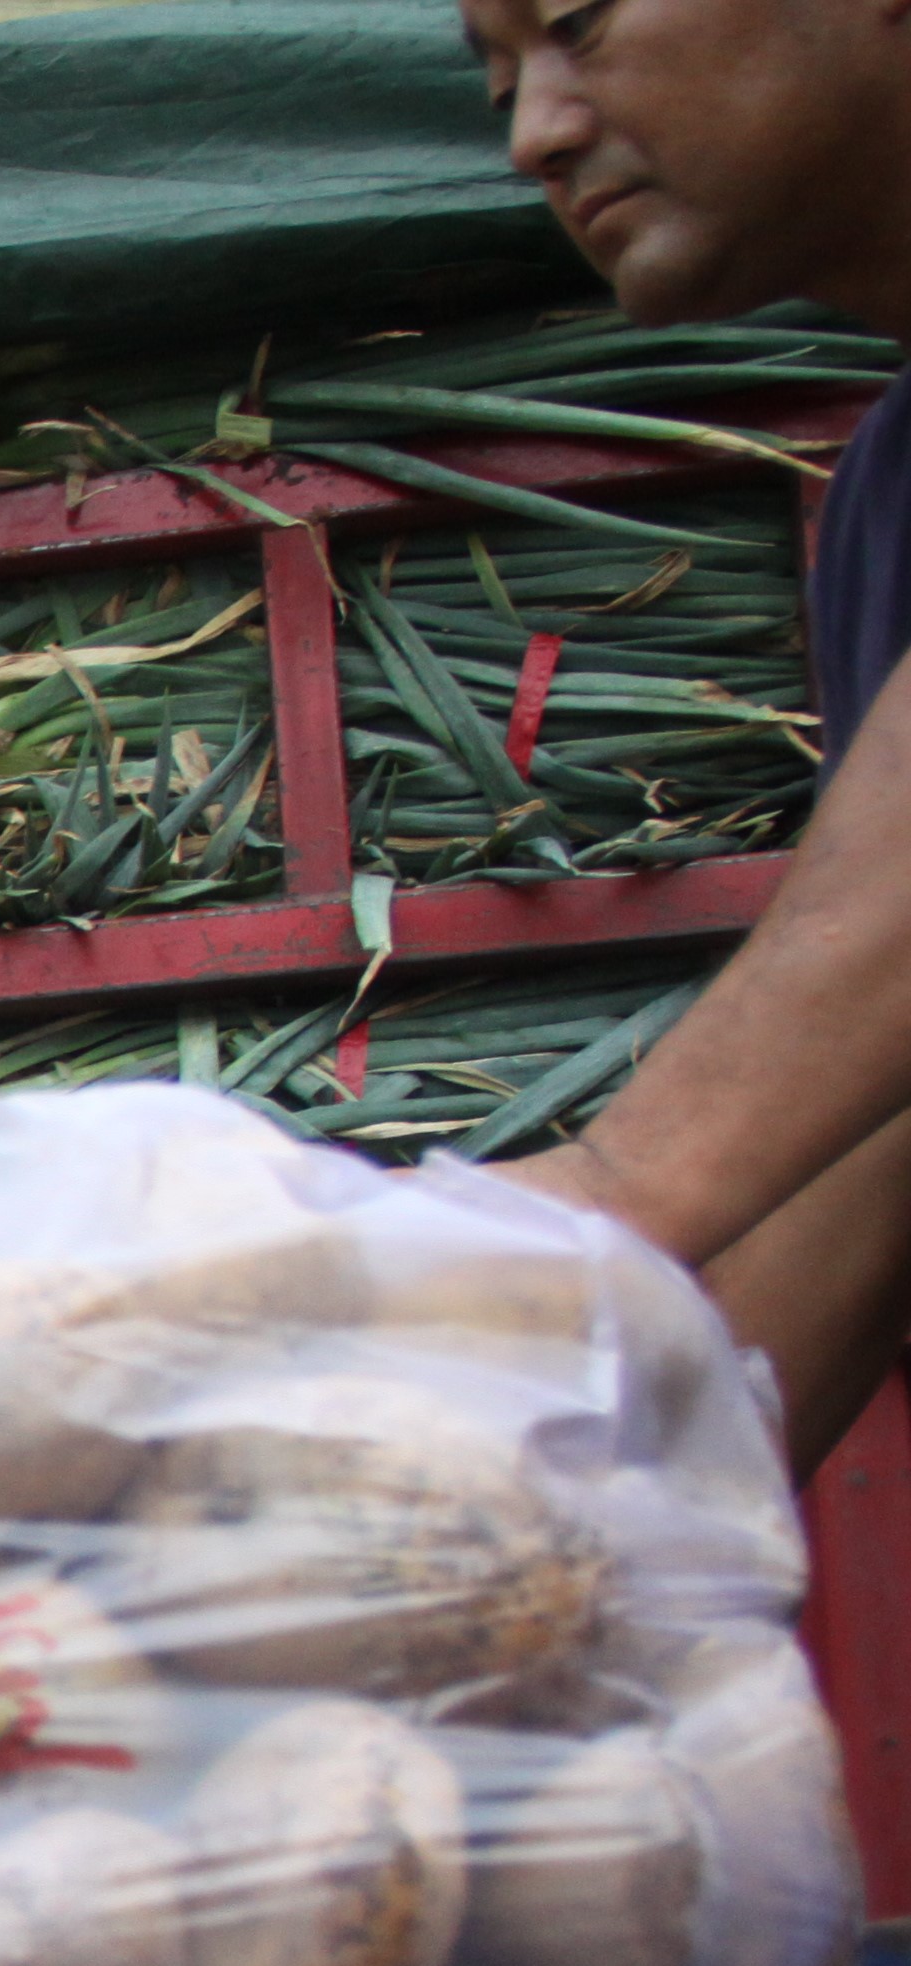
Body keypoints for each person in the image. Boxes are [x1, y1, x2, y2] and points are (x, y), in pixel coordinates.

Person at [460, 0, 911, 1460]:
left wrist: (616, 1188)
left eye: (577, 23)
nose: (538, 128)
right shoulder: (888, 505)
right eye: (498, 74)